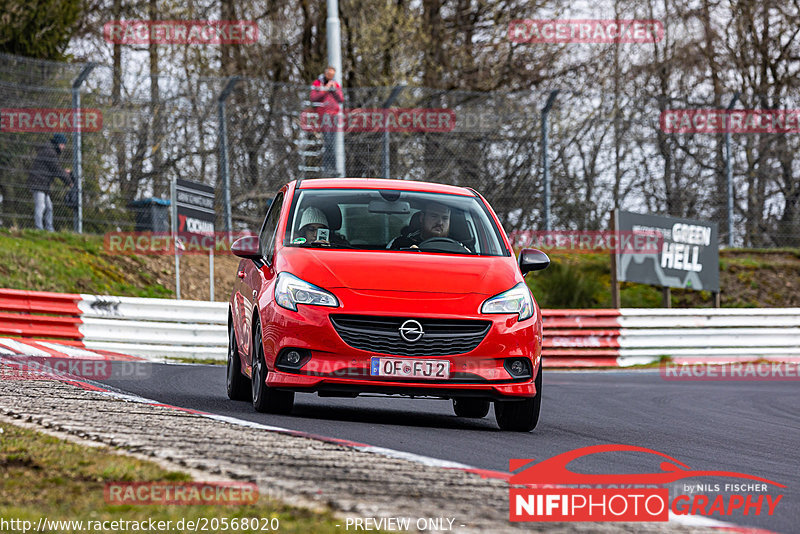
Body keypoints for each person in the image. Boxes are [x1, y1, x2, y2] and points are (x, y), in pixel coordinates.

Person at [28, 133, 73, 231]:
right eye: (62, 144)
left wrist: (64, 172)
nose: (63, 147)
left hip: (43, 184)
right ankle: (39, 229)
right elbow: (56, 169)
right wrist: (69, 182)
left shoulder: (50, 151)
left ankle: (49, 229)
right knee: (41, 206)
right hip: (38, 182)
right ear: (58, 143)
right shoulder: (50, 152)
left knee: (49, 207)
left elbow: (54, 168)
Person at [310, 66, 344, 176]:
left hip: (334, 116)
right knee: (328, 142)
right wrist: (325, 89)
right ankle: (328, 168)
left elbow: (341, 99)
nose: (331, 77)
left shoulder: (336, 84)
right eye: (329, 74)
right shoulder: (317, 83)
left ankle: (332, 168)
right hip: (323, 116)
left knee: (332, 143)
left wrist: (334, 90)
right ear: (325, 73)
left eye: (332, 75)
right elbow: (313, 97)